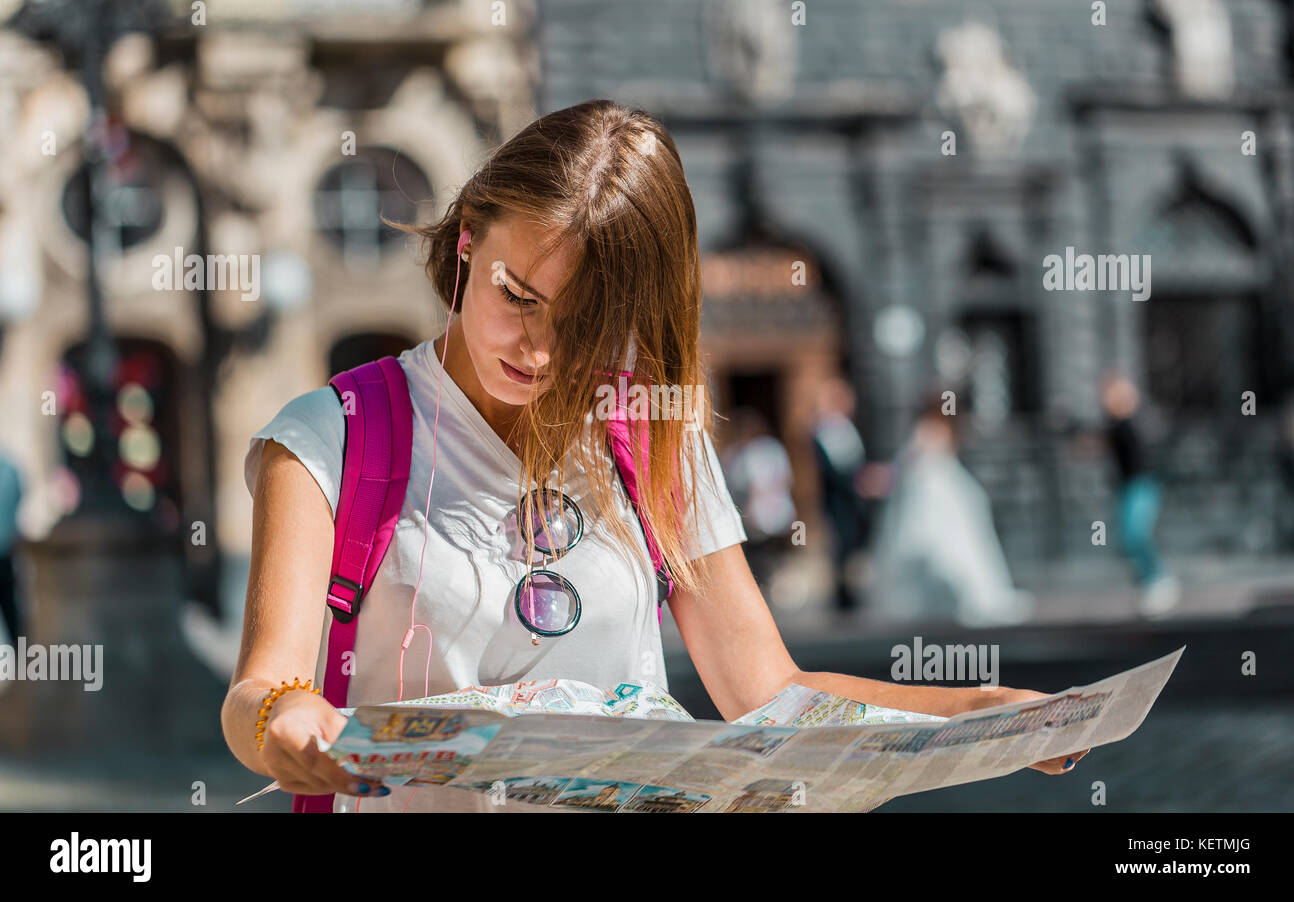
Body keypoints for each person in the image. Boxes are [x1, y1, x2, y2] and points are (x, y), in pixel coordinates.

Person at [221, 99, 1085, 813]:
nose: (541, 352)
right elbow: (259, 690)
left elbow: (766, 692)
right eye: (516, 296)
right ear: (467, 239)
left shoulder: (653, 436)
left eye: (585, 325)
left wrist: (976, 713)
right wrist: (287, 722)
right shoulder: (333, 436)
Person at [868, 402, 1032, 627]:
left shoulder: (930, 432)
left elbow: (906, 463)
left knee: (953, 545)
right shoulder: (931, 433)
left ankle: (950, 593)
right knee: (945, 547)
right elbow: (909, 462)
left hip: (936, 495)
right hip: (929, 497)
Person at [1101, 373, 1179, 618]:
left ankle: (1158, 581)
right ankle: (1150, 583)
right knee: (1129, 538)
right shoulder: (1118, 426)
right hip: (1131, 488)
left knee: (1135, 535)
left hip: (1140, 486)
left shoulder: (1130, 424)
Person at [810, 378, 872, 613]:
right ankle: (844, 598)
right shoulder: (825, 430)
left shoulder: (845, 428)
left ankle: (849, 595)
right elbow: (835, 472)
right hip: (839, 504)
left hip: (851, 502)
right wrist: (859, 483)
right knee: (841, 548)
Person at [721, 407, 795, 596]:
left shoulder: (758, 451)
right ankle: (765, 583)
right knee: (760, 552)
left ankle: (768, 583)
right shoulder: (743, 452)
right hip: (759, 512)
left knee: (765, 551)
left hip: (762, 511)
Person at [0, 448, 24, 648]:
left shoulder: (9, 469)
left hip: (4, 552)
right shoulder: (11, 469)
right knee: (9, 605)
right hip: (5, 550)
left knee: (9, 605)